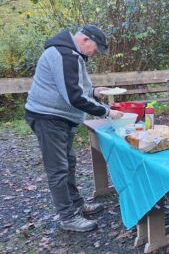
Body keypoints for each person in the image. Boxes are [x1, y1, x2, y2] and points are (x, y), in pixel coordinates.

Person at [25, 25, 123, 232]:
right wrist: (107, 112)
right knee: (58, 169)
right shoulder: (64, 54)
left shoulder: (71, 53)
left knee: (69, 163)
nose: (95, 53)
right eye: (95, 49)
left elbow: (74, 86)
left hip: (60, 119)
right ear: (85, 40)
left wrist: (94, 91)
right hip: (48, 118)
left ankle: (77, 205)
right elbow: (74, 97)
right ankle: (67, 217)